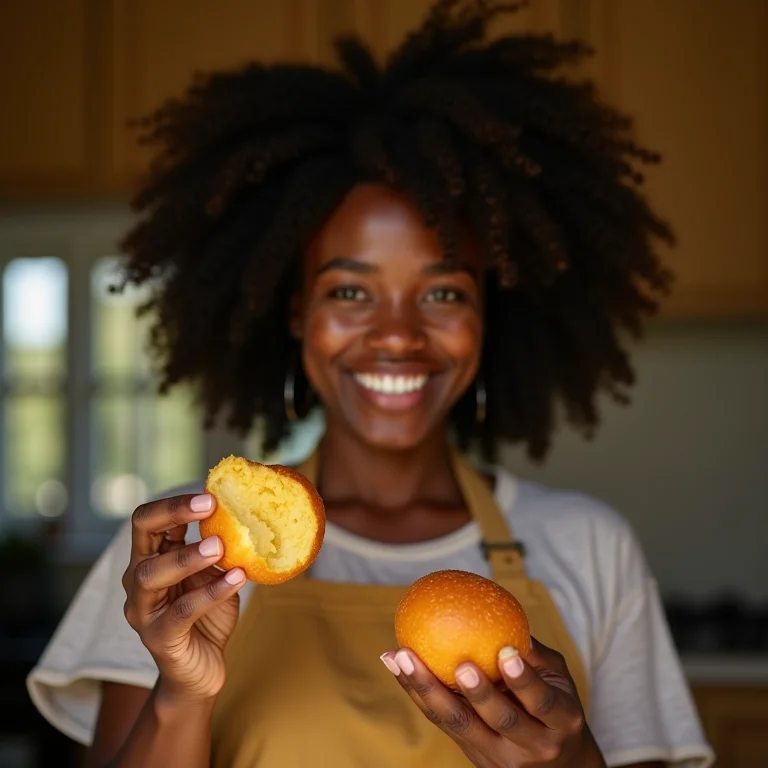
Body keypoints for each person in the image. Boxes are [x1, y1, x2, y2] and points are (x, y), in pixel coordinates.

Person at [27, 1, 714, 766]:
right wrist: (183, 691)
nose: (396, 333)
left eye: (444, 291)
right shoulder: (185, 555)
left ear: (490, 315)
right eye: (351, 292)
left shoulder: (589, 547)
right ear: (296, 312)